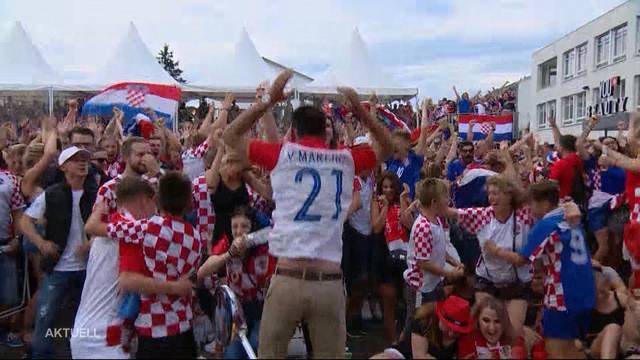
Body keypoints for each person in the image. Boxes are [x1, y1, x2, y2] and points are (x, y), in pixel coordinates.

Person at [222, 70, 393, 358]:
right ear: (325, 131)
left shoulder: (283, 154)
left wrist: (267, 102)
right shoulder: (345, 159)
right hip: (327, 282)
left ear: (295, 130)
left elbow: (229, 135)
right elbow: (387, 146)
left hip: (288, 277)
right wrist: (362, 111)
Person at [486, 181, 595, 359]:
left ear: (544, 203)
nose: (529, 209)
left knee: (555, 349)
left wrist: (495, 250)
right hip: (585, 292)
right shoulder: (569, 218)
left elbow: (521, 260)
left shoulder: (546, 225)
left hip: (562, 295)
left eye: (532, 204)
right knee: (571, 346)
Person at [105, 172, 202, 358]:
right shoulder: (195, 236)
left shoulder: (149, 227)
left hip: (152, 328)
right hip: (184, 324)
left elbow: (105, 228)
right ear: (188, 202)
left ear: (157, 199)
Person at [19, 146, 97, 358]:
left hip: (88, 268)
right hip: (59, 267)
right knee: (45, 317)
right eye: (75, 159)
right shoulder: (51, 194)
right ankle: (40, 354)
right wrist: (41, 242)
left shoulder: (96, 194)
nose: (82, 163)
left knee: (87, 318)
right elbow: (25, 221)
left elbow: (107, 225)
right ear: (63, 166)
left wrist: (91, 244)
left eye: (85, 159)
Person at [71, 177, 156, 359]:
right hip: (103, 338)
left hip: (87, 330)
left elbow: (93, 226)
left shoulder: (110, 228)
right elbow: (130, 282)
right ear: (144, 200)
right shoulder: (130, 231)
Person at [445, 175, 533, 337]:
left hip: (517, 282)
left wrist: (497, 251)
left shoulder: (523, 216)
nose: (491, 197)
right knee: (485, 330)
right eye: (490, 193)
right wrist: (433, 197)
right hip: (488, 281)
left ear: (508, 195)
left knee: (512, 333)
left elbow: (537, 200)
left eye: (496, 193)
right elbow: (453, 213)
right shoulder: (483, 215)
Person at [197, 205, 275, 359]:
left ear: (252, 228)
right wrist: (229, 254)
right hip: (238, 312)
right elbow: (202, 272)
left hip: (264, 309)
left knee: (254, 344)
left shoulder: (264, 247)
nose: (239, 231)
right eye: (235, 227)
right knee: (233, 355)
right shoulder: (227, 243)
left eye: (244, 226)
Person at [404, 178, 465, 325]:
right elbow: (423, 263)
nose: (448, 201)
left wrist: (455, 262)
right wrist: (449, 273)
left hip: (434, 283)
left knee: (432, 324)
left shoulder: (436, 221)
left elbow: (438, 250)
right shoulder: (423, 227)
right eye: (445, 198)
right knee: (416, 325)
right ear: (434, 202)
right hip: (421, 287)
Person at [371, 172, 410, 342]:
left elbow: (408, 223)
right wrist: (385, 207)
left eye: (391, 187)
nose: (388, 190)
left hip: (406, 257)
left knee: (408, 302)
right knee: (389, 301)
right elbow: (376, 228)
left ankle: (406, 341)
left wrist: (402, 199)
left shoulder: (403, 201)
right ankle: (393, 342)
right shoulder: (376, 203)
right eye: (384, 187)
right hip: (384, 257)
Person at [457, 296, 526, 359]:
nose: (492, 328)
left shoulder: (516, 343)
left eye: (498, 321)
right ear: (478, 319)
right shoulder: (467, 341)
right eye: (486, 320)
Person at [585, 264, 627, 359]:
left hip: (621, 343)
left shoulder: (619, 298)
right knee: (613, 328)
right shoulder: (585, 307)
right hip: (596, 346)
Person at [410, 295, 473, 359]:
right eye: (448, 327)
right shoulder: (424, 322)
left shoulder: (466, 335)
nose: (451, 334)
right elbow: (420, 356)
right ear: (440, 317)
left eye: (457, 331)